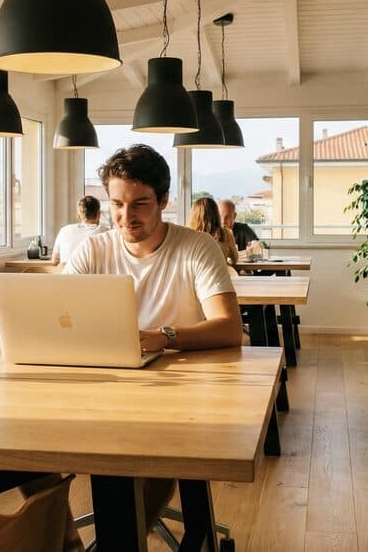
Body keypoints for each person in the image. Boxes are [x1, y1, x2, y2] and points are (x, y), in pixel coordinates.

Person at [61, 144, 243, 539]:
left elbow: (229, 327)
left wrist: (165, 337)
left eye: (140, 204)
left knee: (160, 451)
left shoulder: (197, 248)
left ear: (163, 200)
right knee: (29, 452)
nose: (126, 217)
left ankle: (122, 539)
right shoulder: (93, 250)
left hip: (177, 396)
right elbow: (57, 316)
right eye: (117, 204)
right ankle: (70, 540)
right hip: (102, 388)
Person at [49, 195, 109, 265]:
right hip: (94, 275)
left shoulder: (64, 230)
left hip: (68, 274)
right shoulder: (108, 233)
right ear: (99, 214)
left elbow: (54, 260)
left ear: (78, 216)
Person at [189, 196, 238, 266]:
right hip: (219, 275)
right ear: (216, 213)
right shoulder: (226, 233)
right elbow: (235, 259)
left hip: (196, 276)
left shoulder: (188, 235)